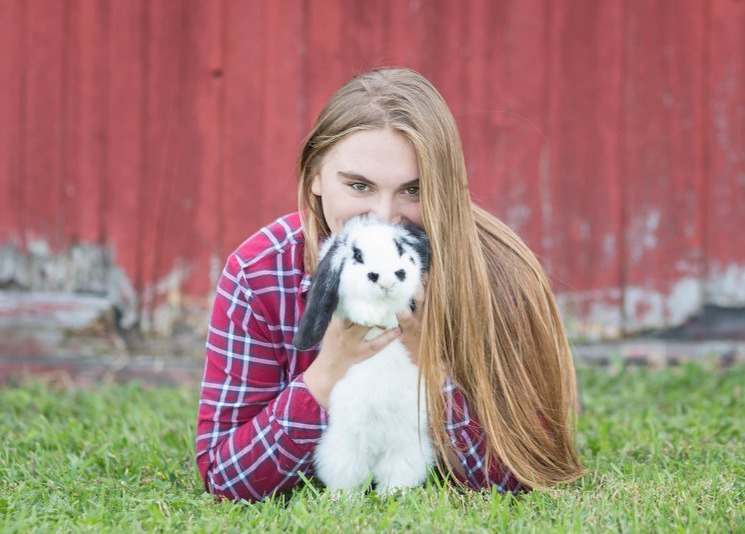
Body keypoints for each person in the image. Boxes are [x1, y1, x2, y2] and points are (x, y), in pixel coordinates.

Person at [196, 67, 584, 503]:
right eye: (359, 185)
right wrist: (326, 373)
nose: (383, 216)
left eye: (413, 190)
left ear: (447, 189)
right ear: (315, 178)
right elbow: (226, 478)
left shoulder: (500, 270)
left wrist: (429, 364)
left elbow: (527, 472)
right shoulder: (261, 272)